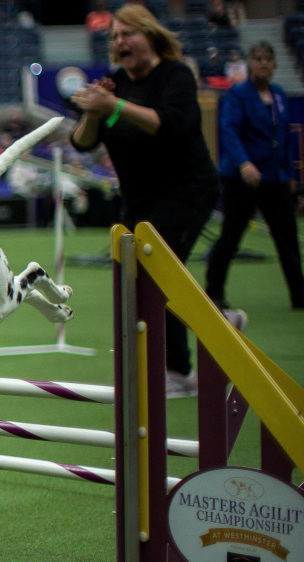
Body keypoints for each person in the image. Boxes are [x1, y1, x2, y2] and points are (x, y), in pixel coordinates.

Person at [69, 4, 218, 398]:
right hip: (139, 201)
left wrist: (113, 106)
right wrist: (95, 111)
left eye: (127, 34)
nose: (120, 42)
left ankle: (181, 368)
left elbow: (169, 125)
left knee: (160, 271)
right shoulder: (116, 83)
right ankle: (213, 325)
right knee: (146, 279)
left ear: (150, 36)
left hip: (187, 190)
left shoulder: (176, 75)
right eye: (115, 37)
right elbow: (82, 142)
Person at [206, 41, 304, 311]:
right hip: (241, 178)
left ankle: (299, 295)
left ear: (274, 64)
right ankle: (213, 292)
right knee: (231, 236)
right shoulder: (238, 94)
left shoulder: (280, 95)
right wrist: (243, 163)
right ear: (250, 63)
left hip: (275, 178)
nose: (263, 63)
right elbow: (229, 130)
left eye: (268, 59)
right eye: (258, 58)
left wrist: (291, 176)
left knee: (288, 237)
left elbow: (284, 139)